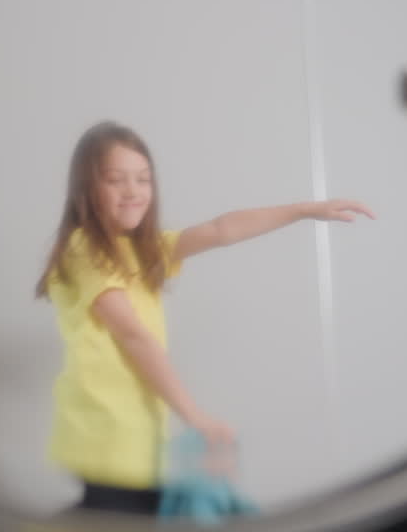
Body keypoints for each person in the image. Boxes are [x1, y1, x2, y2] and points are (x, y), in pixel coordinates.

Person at [37, 121, 374, 518]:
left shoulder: (144, 253)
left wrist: (304, 210)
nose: (133, 191)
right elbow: (133, 337)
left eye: (143, 179)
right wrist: (195, 416)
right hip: (103, 433)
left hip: (139, 435)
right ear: (87, 189)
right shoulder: (85, 249)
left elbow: (221, 229)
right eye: (116, 180)